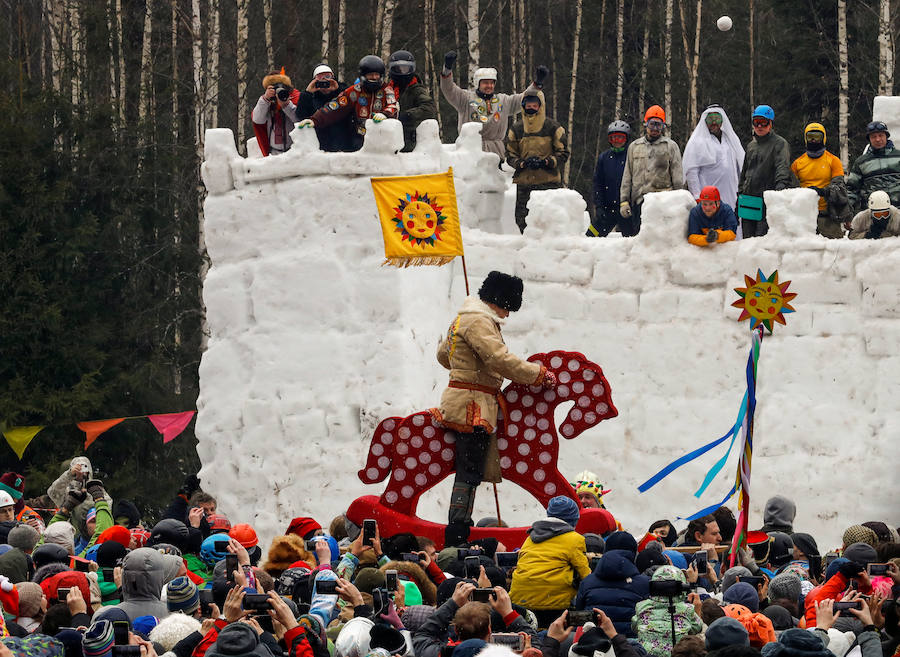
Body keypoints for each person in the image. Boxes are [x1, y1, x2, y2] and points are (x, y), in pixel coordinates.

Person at [429, 271, 556, 546]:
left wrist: (466, 369)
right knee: (469, 468)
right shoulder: (479, 321)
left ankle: (460, 524)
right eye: (507, 307)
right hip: (472, 405)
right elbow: (499, 359)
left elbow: (443, 356)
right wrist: (537, 374)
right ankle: (458, 528)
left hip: (466, 398)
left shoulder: (462, 319)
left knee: (470, 466)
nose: (508, 315)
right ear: (498, 300)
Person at [440, 51, 547, 158]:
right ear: (478, 83)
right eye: (485, 83)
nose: (489, 86)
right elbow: (448, 89)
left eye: (492, 83)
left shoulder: (503, 100)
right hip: (470, 152)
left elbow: (524, 98)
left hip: (496, 151)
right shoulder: (465, 99)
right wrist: (447, 69)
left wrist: (537, 84)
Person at [508, 496, 591, 625]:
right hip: (554, 606)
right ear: (573, 520)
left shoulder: (531, 537)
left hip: (520, 600)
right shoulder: (575, 539)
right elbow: (586, 576)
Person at [298, 55, 398, 151]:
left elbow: (392, 105)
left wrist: (385, 114)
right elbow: (334, 106)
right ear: (363, 75)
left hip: (382, 140)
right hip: (359, 140)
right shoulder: (354, 92)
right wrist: (315, 120)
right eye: (370, 75)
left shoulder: (387, 90)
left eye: (377, 75)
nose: (374, 77)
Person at [505, 90, 569, 233]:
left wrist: (546, 162)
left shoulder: (554, 127)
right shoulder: (516, 128)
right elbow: (510, 154)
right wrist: (521, 163)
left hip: (548, 182)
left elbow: (563, 153)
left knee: (548, 220)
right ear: (523, 105)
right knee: (522, 220)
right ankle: (530, 250)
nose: (531, 108)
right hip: (524, 183)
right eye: (528, 104)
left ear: (541, 106)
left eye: (535, 105)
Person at [619, 105, 684, 237]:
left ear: (663, 126)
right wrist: (624, 201)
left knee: (660, 240)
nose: (655, 129)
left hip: (662, 203)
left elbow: (677, 177)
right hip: (639, 203)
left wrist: (678, 202)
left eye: (659, 125)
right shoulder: (634, 147)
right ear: (645, 124)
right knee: (640, 240)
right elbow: (627, 176)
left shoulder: (670, 147)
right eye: (652, 124)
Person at [737, 105, 793, 238]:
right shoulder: (751, 146)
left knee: (762, 242)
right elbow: (745, 173)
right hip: (749, 201)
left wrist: (780, 187)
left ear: (770, 123)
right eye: (756, 122)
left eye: (764, 122)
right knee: (748, 240)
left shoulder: (779, 144)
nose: (760, 126)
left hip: (766, 200)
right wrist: (740, 195)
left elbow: (782, 167)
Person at [790, 123, 851, 238]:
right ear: (805, 139)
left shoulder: (833, 160)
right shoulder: (797, 164)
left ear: (823, 138)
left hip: (828, 215)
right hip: (804, 216)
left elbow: (839, 188)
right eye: (810, 137)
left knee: (834, 251)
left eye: (817, 137)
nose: (813, 140)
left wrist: (822, 191)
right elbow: (790, 189)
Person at [682, 105, 744, 208]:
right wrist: (697, 196)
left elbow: (740, 165)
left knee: (732, 221)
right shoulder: (697, 142)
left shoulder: (731, 140)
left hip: (732, 194)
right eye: (710, 119)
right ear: (705, 121)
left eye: (717, 119)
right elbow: (691, 171)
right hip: (708, 199)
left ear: (722, 120)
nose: (714, 123)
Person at [386, 50, 438, 152]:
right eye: (398, 69)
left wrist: (408, 115)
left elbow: (429, 108)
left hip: (410, 141)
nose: (402, 72)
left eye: (405, 69)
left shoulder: (416, 90)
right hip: (388, 138)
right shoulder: (387, 89)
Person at [296, 64, 356, 152]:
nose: (324, 81)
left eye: (328, 76)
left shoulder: (342, 93)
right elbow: (301, 115)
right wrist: (307, 94)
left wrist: (338, 90)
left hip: (343, 143)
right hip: (321, 144)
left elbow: (350, 107)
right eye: (320, 77)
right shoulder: (311, 98)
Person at [588, 121, 631, 237]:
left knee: (632, 241)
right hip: (608, 209)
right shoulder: (604, 157)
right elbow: (598, 183)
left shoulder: (631, 156)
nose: (616, 141)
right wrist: (599, 206)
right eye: (613, 138)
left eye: (620, 138)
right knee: (591, 236)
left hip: (626, 209)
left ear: (626, 139)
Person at [847, 120, 900, 211]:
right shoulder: (861, 162)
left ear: (886, 136)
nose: (878, 139)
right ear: (869, 139)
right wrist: (847, 213)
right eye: (873, 137)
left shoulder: (898, 157)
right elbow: (851, 189)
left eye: (880, 135)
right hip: (872, 214)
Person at [251, 67, 301, 156]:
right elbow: (257, 120)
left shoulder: (295, 98)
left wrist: (286, 105)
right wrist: (265, 99)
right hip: (273, 152)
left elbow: (300, 120)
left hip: (294, 151)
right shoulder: (266, 103)